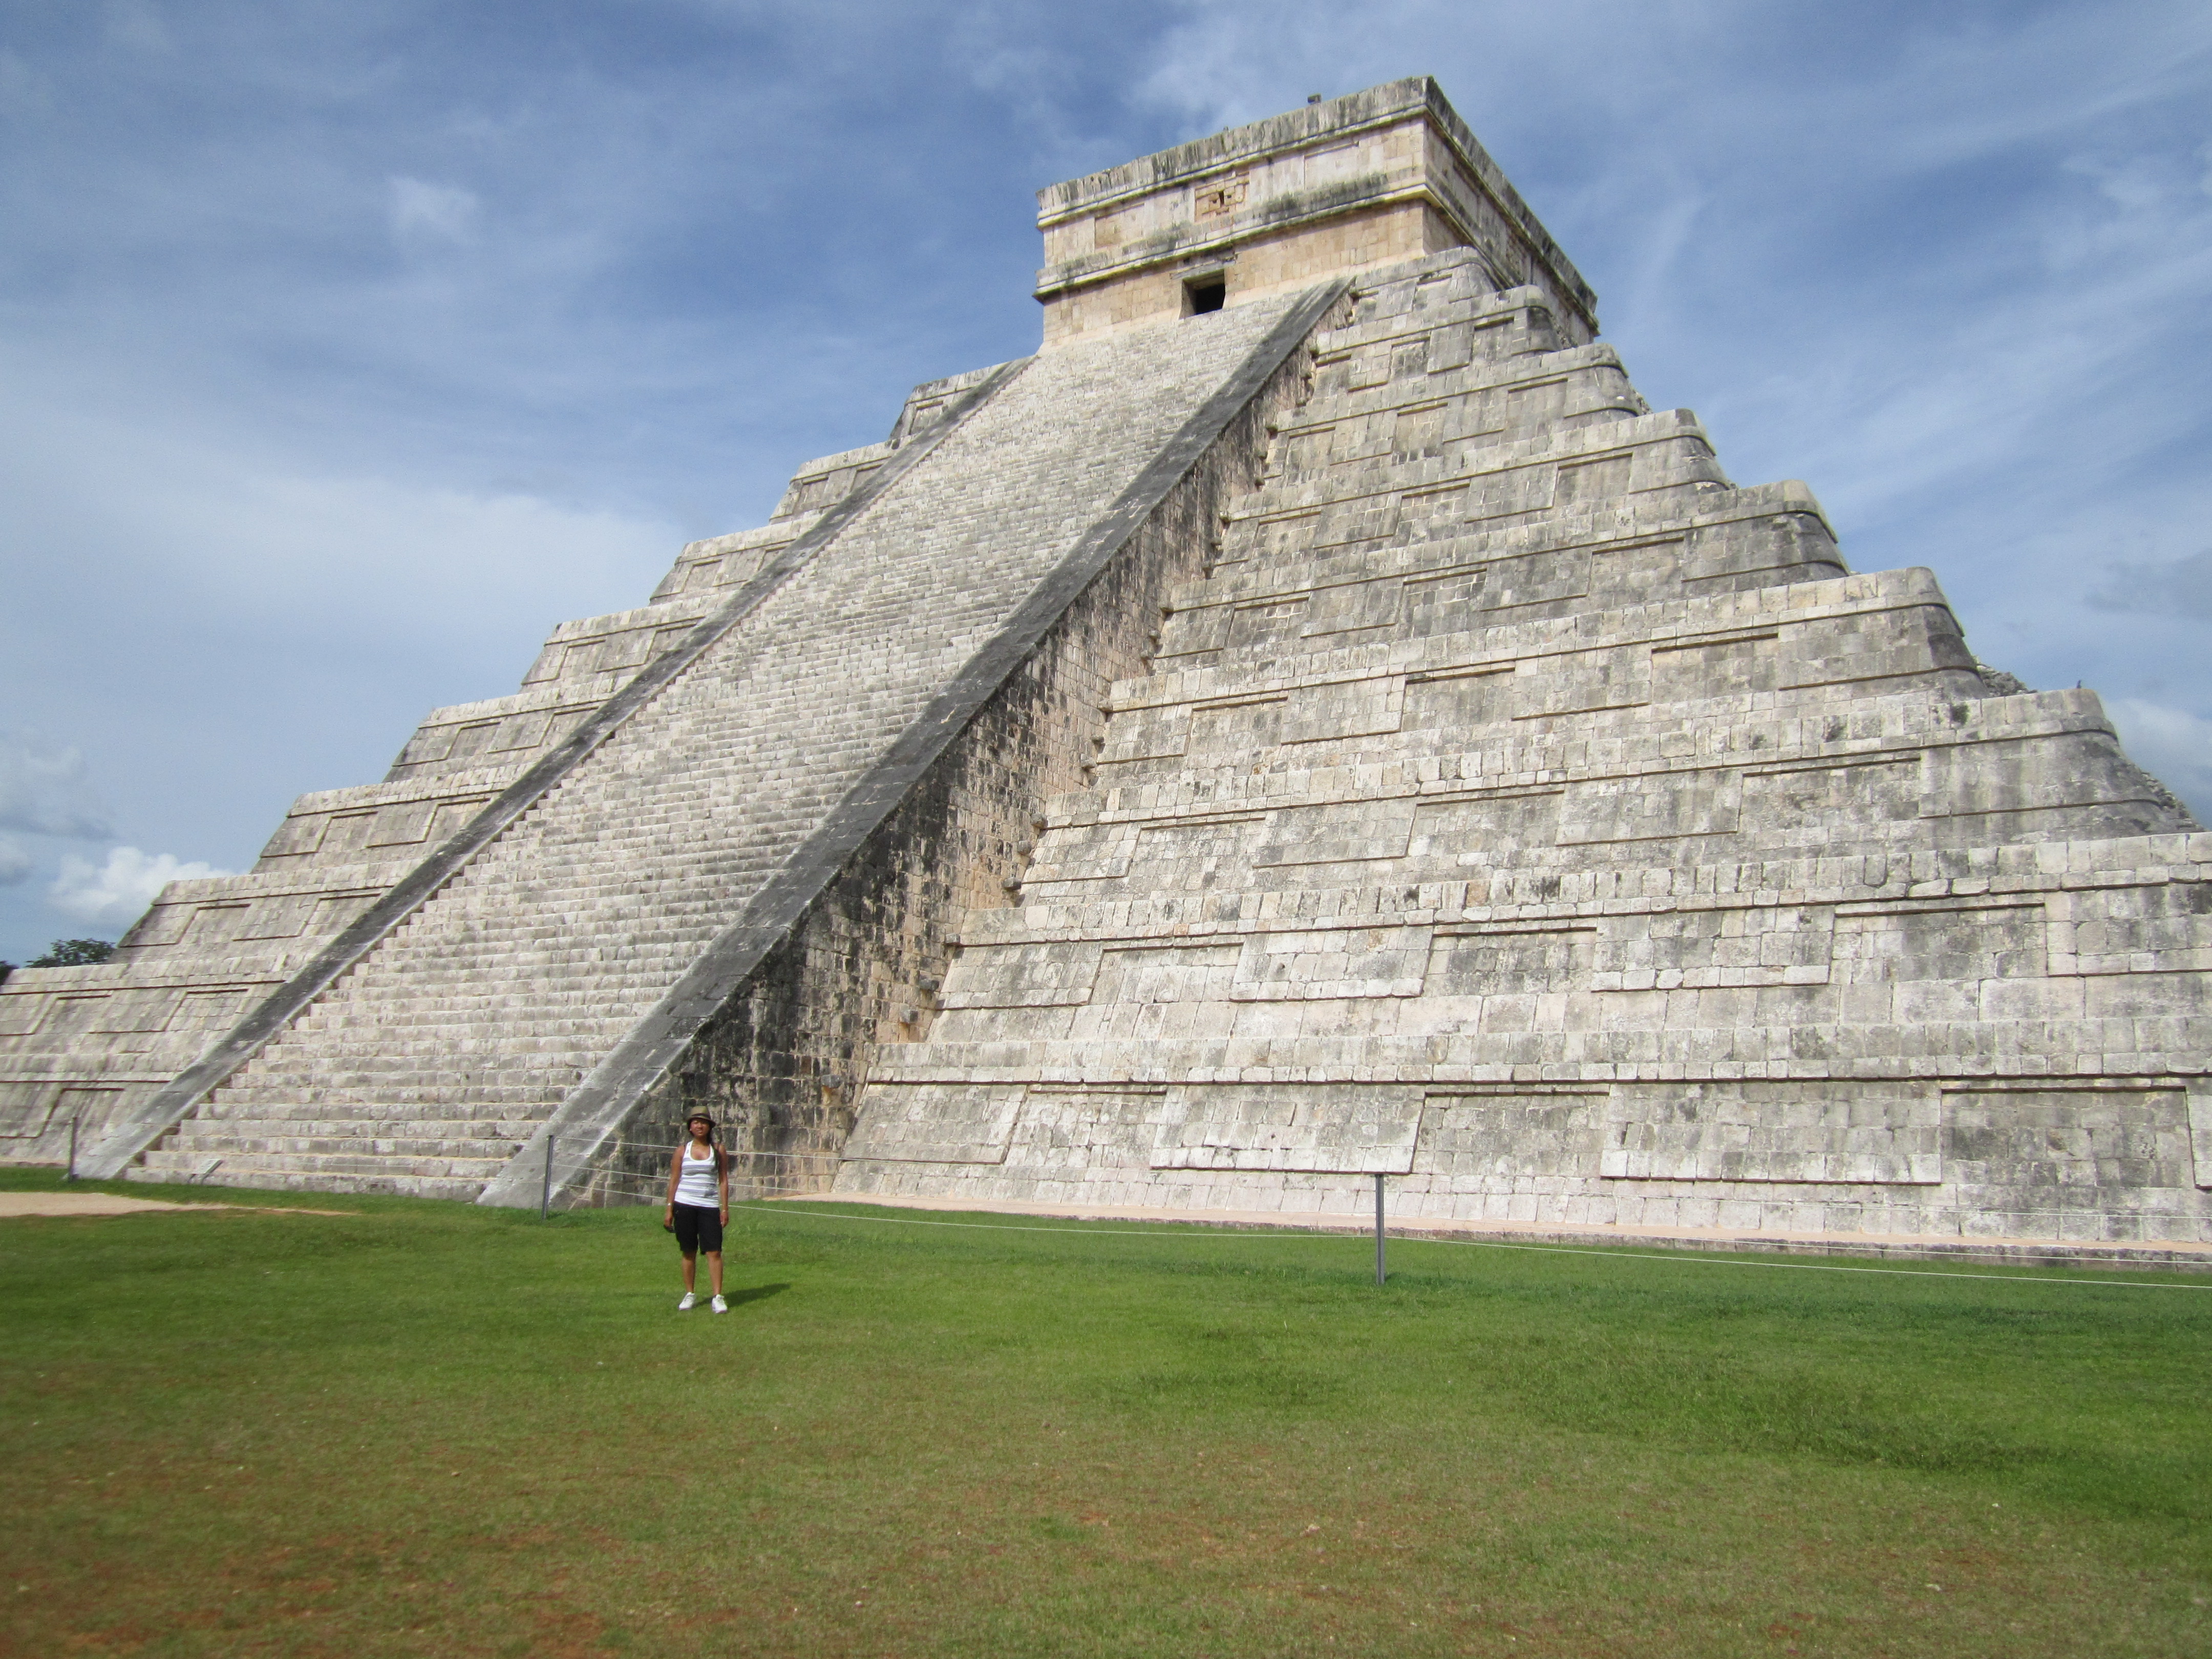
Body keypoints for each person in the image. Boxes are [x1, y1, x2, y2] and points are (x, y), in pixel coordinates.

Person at [663, 1111, 730, 1312]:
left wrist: (725, 1208)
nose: (700, 1126)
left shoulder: (718, 1150)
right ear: (690, 1127)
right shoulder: (682, 1151)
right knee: (688, 1250)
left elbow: (724, 1180)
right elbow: (674, 1180)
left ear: (709, 1127)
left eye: (703, 1123)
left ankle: (718, 1296)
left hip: (709, 1205)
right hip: (684, 1204)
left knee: (714, 1251)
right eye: (696, 1123)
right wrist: (669, 1209)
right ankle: (690, 1293)